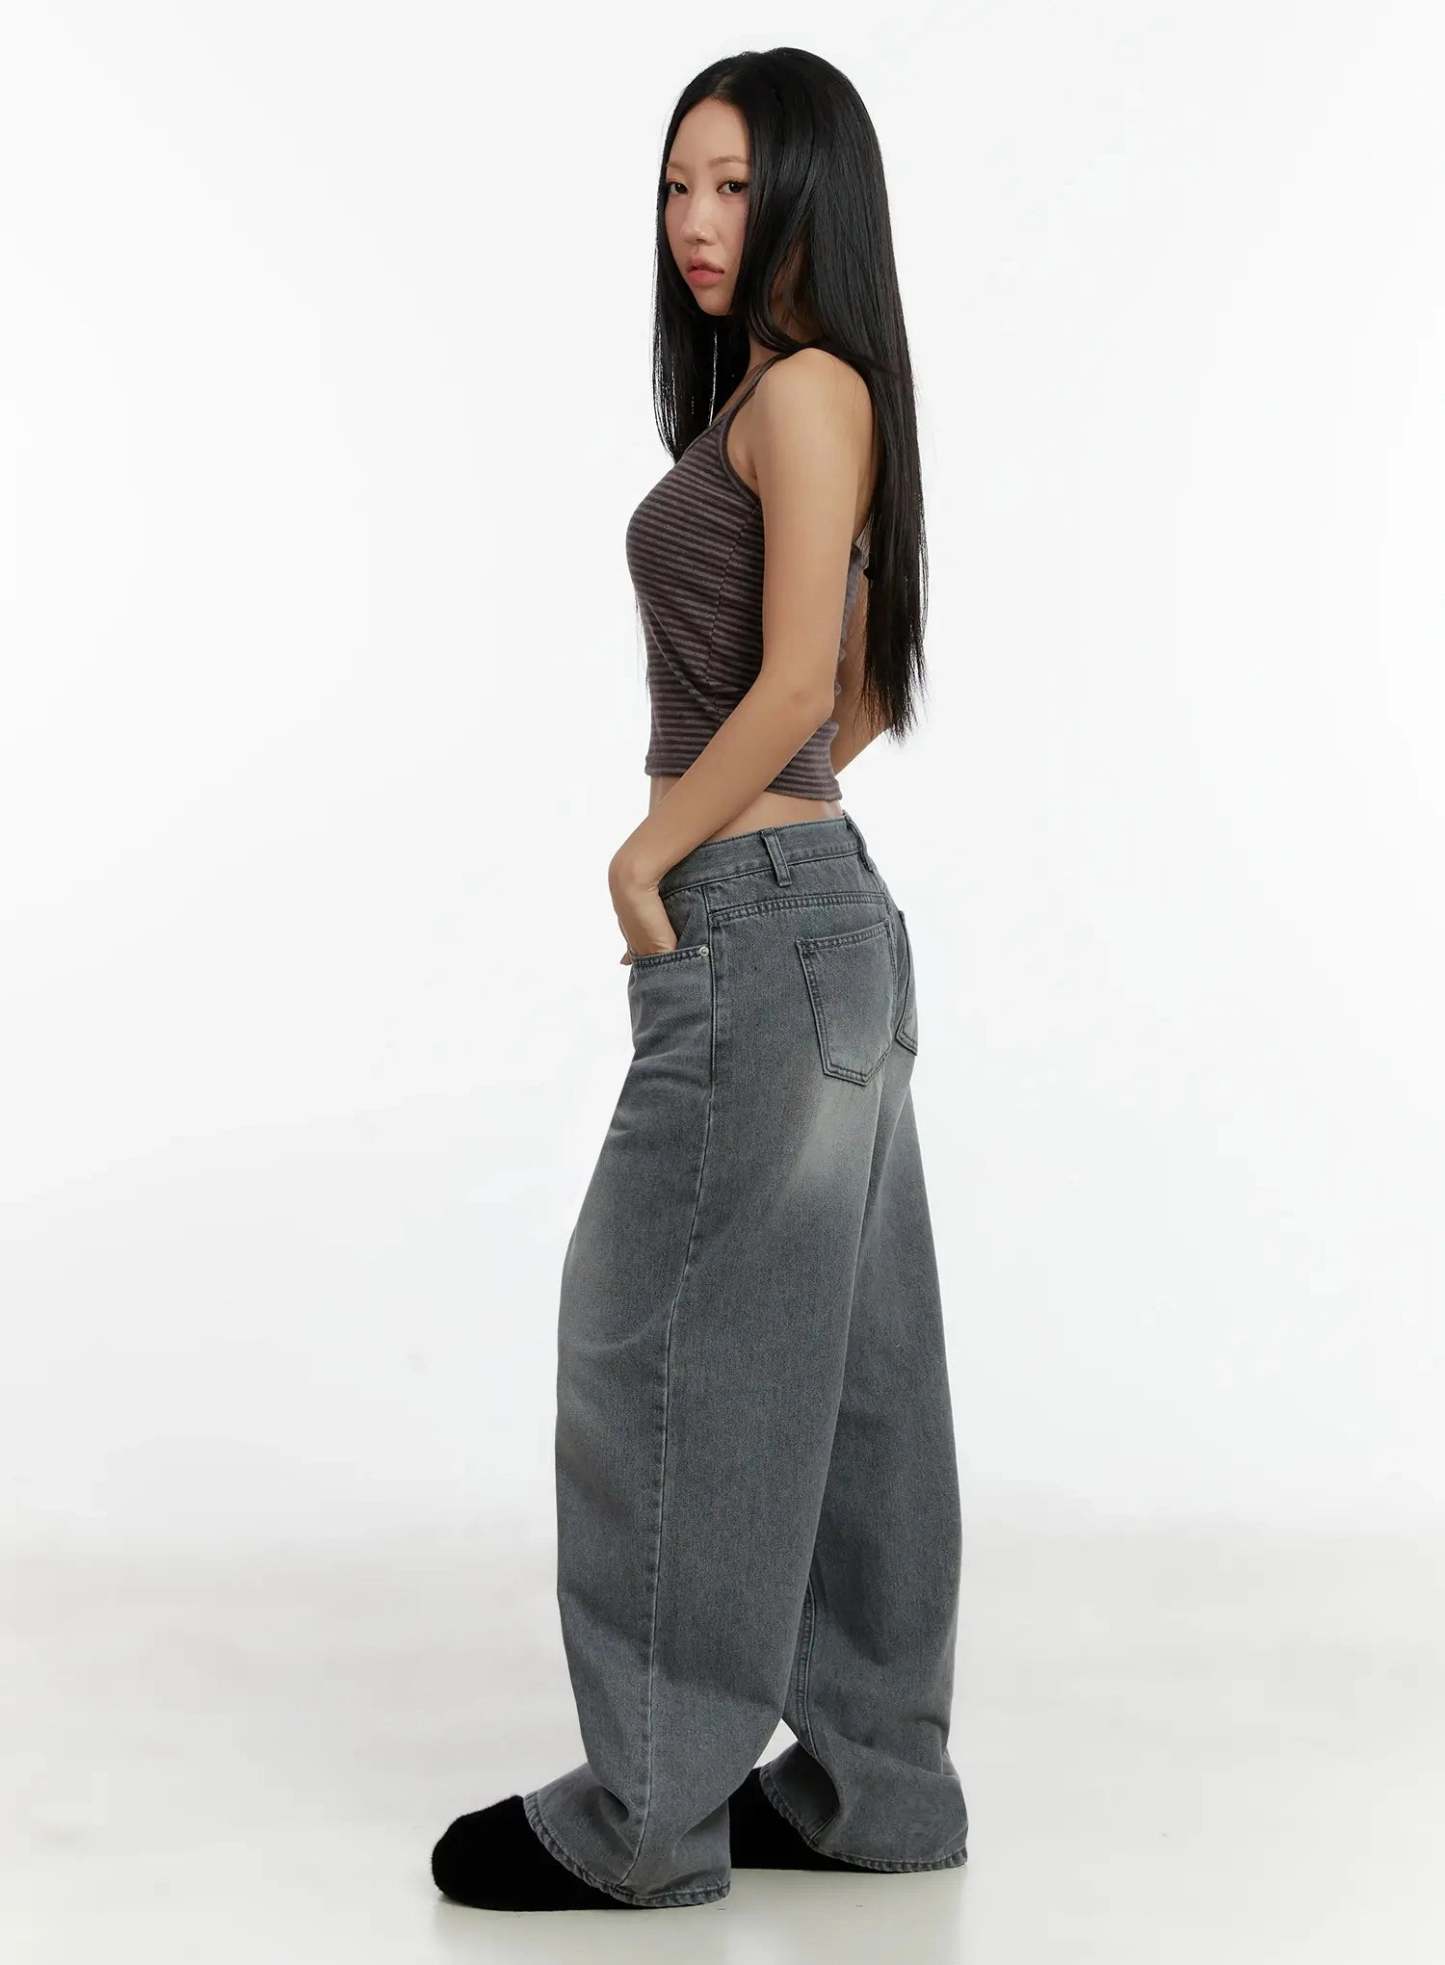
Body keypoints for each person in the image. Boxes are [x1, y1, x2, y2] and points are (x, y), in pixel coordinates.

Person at [431, 44, 969, 1912]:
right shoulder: (805, 392)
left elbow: (802, 687)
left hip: (758, 922)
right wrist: (758, 833)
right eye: (676, 184)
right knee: (857, 1370)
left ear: (811, 186)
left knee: (648, 1341)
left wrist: (649, 852)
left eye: (733, 183)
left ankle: (647, 1815)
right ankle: (873, 1784)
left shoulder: (804, 392)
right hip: (826, 921)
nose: (694, 221)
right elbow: (860, 684)